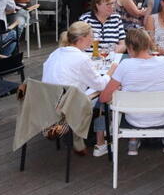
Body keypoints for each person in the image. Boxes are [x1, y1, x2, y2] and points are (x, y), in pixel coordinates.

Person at [42, 21, 116, 157]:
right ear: (82, 39)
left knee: (85, 87)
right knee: (103, 93)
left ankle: (79, 135)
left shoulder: (56, 53)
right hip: (68, 107)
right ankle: (99, 140)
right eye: (91, 37)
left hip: (47, 104)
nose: (92, 40)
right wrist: (111, 71)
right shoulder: (81, 58)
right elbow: (100, 84)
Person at [100, 28, 164, 156]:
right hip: (162, 117)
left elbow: (104, 98)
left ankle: (133, 139)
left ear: (129, 47)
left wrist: (120, 89)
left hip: (134, 119)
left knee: (128, 99)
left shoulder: (125, 65)